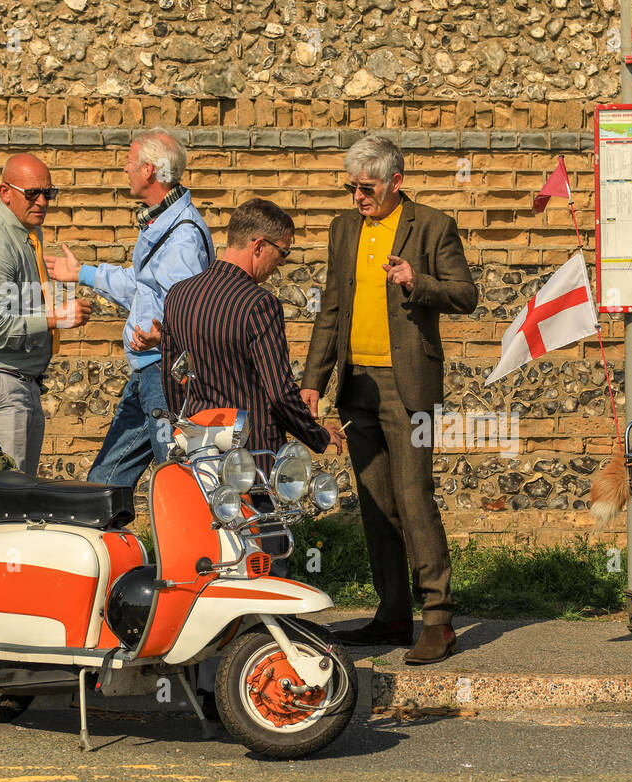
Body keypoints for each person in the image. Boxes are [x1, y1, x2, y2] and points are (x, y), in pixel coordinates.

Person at [160, 198, 343, 717]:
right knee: (262, 563)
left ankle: (203, 688)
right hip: (251, 458)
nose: (278, 268)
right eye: (280, 256)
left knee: (207, 566)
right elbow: (280, 391)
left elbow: (172, 375)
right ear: (258, 245)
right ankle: (256, 684)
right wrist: (319, 436)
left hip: (195, 452)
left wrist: (186, 424)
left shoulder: (180, 296)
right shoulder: (256, 305)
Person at [300, 134, 478, 665]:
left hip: (409, 388)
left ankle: (438, 619)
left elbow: (465, 294)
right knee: (376, 503)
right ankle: (393, 613)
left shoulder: (433, 226)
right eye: (352, 187)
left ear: (396, 182)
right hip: (357, 387)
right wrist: (314, 380)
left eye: (368, 187)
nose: (359, 197)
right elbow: (330, 308)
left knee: (413, 495)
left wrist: (416, 280)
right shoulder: (343, 229)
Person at [45, 130, 212, 488]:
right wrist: (82, 273)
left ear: (149, 170)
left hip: (165, 375)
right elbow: (143, 286)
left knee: (182, 478)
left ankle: (202, 543)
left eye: (130, 162)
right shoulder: (162, 222)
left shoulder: (181, 236)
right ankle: (101, 541)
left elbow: (191, 310)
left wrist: (163, 336)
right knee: (107, 479)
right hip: (148, 372)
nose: (125, 168)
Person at [0, 153, 92, 474]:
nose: (42, 201)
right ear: (5, 192)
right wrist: (56, 318)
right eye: (32, 194)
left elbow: (20, 305)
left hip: (15, 382)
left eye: (49, 193)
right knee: (5, 496)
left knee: (17, 493)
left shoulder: (28, 234)